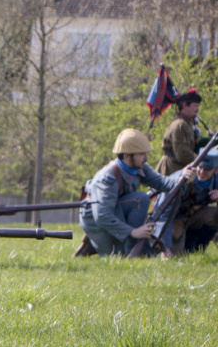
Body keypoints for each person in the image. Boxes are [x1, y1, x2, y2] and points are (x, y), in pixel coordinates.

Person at [78, 128, 193, 257]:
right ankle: (99, 243)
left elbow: (163, 183)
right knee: (118, 257)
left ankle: (133, 247)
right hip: (95, 218)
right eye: (141, 154)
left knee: (141, 198)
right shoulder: (107, 178)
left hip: (115, 210)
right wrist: (134, 232)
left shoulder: (139, 166)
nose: (146, 157)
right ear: (127, 156)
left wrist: (182, 178)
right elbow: (102, 215)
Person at [156, 148, 218, 255]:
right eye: (200, 167)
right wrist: (165, 248)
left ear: (216, 170)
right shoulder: (180, 179)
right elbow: (164, 215)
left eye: (207, 169)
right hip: (175, 219)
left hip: (195, 216)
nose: (202, 172)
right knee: (175, 258)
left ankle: (198, 251)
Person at [157, 89, 208, 176]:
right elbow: (182, 154)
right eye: (195, 106)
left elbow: (195, 144)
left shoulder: (188, 124)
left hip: (180, 168)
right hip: (172, 169)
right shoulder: (179, 125)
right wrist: (202, 160)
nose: (197, 109)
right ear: (185, 106)